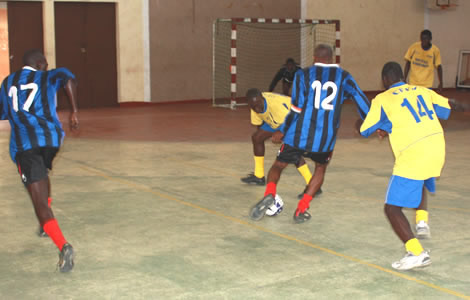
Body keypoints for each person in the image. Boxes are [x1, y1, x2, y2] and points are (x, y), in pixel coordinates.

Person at [249, 44, 370, 223]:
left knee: (278, 165)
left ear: (314, 58)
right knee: (320, 169)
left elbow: (296, 108)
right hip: (325, 138)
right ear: (332, 58)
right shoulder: (344, 76)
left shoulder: (302, 75)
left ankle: (270, 194)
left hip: (299, 133)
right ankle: (301, 209)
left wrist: (283, 130)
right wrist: (371, 124)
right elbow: (362, 101)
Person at [359, 61, 451, 271]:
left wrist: (361, 124)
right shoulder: (422, 90)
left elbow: (365, 129)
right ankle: (422, 221)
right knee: (421, 179)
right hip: (437, 148)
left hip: (413, 153)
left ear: (384, 81)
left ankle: (416, 252)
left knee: (391, 208)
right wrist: (387, 127)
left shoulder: (382, 98)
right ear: (403, 76)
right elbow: (445, 110)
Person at [0, 49, 79, 272]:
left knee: (39, 205)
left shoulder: (8, 82)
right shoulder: (48, 76)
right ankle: (45, 224)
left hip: (25, 146)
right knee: (43, 171)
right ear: (41, 63)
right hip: (52, 140)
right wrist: (74, 111)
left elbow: (3, 112)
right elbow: (69, 78)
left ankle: (63, 245)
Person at [240, 89, 320, 197]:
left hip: (298, 120)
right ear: (249, 104)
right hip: (278, 121)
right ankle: (259, 176)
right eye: (254, 107)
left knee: (291, 152)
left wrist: (281, 133)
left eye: (259, 105)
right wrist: (267, 134)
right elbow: (259, 126)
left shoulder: (277, 106)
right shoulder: (254, 107)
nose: (257, 109)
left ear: (262, 99)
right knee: (257, 138)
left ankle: (313, 186)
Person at [403, 29, 443, 238]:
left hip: (427, 85)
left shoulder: (435, 51)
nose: (424, 40)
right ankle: (422, 222)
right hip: (414, 84)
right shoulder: (414, 48)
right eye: (422, 38)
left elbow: (439, 67)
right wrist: (404, 77)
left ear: (431, 39)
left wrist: (441, 84)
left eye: (427, 38)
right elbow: (408, 62)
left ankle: (421, 222)